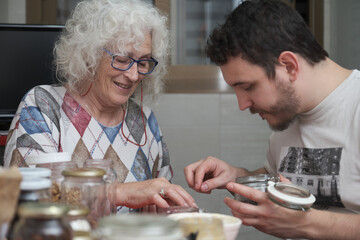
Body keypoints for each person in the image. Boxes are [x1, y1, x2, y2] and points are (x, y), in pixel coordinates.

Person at [184, 0, 360, 239]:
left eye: (247, 86)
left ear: (288, 66)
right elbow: (286, 180)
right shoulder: (285, 117)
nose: (242, 104)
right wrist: (237, 176)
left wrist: (305, 223)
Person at [4, 0, 196, 213]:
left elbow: (162, 201)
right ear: (89, 54)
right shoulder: (42, 106)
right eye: (122, 59)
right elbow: (26, 199)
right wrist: (119, 193)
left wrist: (168, 209)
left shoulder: (145, 121)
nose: (134, 75)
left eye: (143, 63)